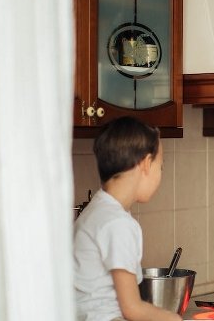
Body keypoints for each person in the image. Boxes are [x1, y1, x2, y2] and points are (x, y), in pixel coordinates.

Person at [74, 116, 181, 321]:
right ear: (146, 164)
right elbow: (132, 309)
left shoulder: (95, 212)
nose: (160, 174)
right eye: (161, 166)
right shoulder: (118, 223)